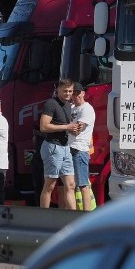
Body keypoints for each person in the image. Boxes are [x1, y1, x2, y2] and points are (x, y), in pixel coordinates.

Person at [38, 79, 80, 209]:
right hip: (52, 146)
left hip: (65, 147)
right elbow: (43, 127)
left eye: (70, 91)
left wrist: (74, 130)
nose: (68, 94)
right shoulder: (51, 103)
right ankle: (44, 215)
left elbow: (66, 128)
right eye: (65, 91)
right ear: (58, 90)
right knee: (50, 185)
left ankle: (73, 217)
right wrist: (67, 126)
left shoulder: (68, 105)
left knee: (71, 185)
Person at [68, 82, 96, 211]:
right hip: (69, 148)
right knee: (70, 185)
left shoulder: (87, 109)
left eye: (78, 93)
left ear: (83, 93)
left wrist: (62, 128)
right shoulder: (72, 108)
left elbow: (77, 129)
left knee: (83, 185)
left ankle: (87, 214)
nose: (76, 95)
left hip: (79, 150)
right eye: (73, 93)